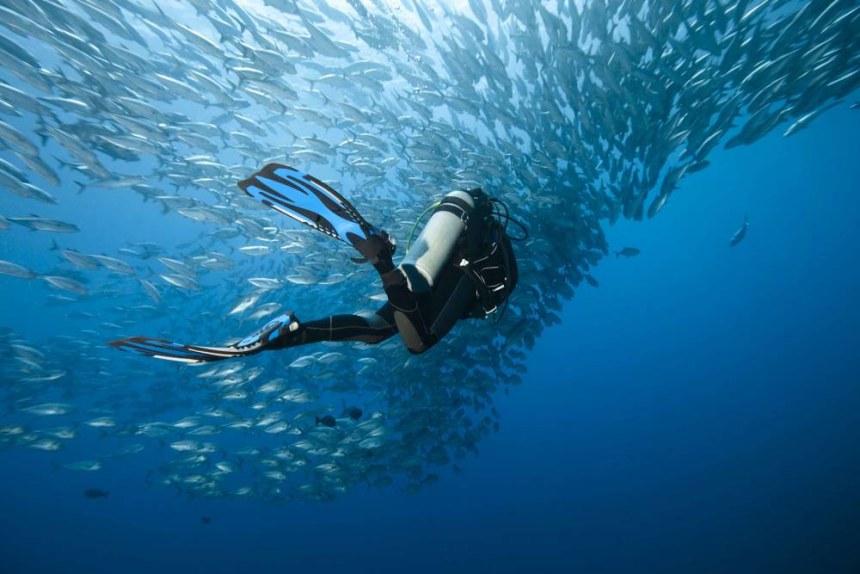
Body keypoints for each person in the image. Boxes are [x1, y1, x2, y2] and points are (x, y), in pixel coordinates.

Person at [110, 163, 524, 363]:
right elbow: (483, 290)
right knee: (419, 342)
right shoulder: (491, 242)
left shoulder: (467, 218)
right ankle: (380, 261)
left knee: (381, 330)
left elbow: (432, 255)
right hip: (455, 269)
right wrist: (385, 265)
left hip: (425, 266)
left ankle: (294, 332)